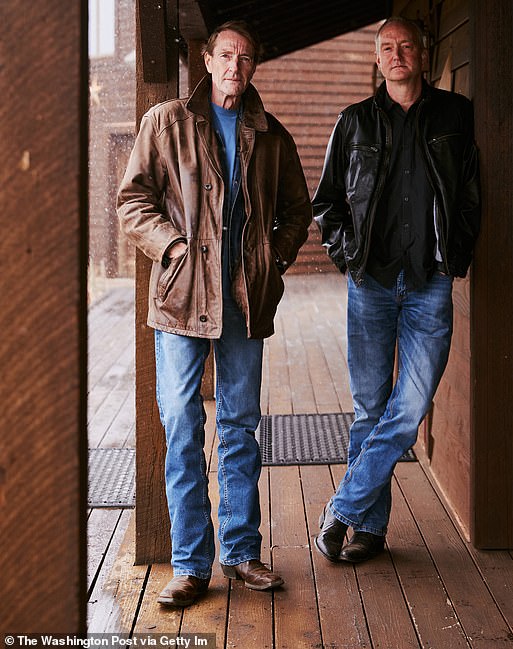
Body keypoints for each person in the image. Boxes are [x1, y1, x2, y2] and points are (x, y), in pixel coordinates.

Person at [117, 20, 312, 606]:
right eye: (225, 54)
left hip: (244, 304)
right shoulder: (166, 122)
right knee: (180, 427)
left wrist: (270, 261)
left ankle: (241, 553)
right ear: (207, 59)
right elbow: (131, 200)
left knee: (239, 428)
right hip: (179, 300)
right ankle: (189, 564)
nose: (235, 65)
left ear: (253, 67)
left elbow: (298, 212)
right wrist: (174, 247)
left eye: (245, 58)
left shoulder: (270, 135)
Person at [312, 16, 480, 564]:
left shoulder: (455, 116)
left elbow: (472, 196)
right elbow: (328, 203)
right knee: (370, 409)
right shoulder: (354, 122)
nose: (397, 54)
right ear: (377, 58)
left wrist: (459, 255)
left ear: (424, 54)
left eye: (406, 46)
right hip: (373, 284)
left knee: (408, 409)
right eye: (388, 47)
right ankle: (370, 529)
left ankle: (343, 508)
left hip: (430, 282)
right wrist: (347, 257)